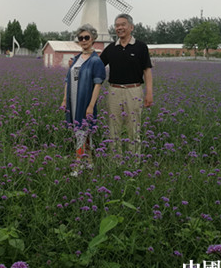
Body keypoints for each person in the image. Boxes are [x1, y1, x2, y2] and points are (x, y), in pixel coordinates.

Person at [100, 13, 153, 155]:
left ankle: (134, 163)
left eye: (123, 25)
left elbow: (147, 71)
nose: (119, 28)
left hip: (134, 91)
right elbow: (97, 65)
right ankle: (115, 162)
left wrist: (149, 93)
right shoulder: (111, 48)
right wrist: (77, 63)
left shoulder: (141, 47)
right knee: (113, 128)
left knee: (133, 128)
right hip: (114, 91)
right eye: (117, 25)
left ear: (131, 27)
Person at [61, 24, 106, 166]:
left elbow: (98, 84)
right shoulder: (75, 59)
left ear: (93, 39)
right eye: (81, 38)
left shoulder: (95, 61)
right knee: (81, 132)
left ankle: (78, 163)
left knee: (82, 130)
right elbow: (68, 80)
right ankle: (89, 162)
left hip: (84, 100)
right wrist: (64, 100)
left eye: (87, 37)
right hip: (72, 101)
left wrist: (91, 105)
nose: (83, 40)